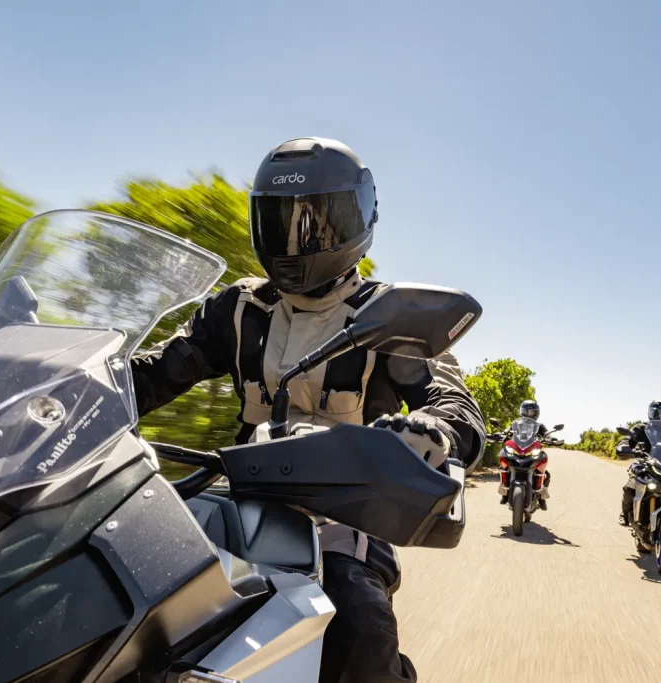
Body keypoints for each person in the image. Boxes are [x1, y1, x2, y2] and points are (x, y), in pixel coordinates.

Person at [130, 137, 486, 683]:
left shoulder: (392, 317)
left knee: (361, 632)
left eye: (314, 223)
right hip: (234, 498)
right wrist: (64, 380)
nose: (294, 240)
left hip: (344, 520)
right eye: (279, 221)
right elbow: (155, 371)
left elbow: (454, 403)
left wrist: (433, 430)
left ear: (356, 221)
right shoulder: (239, 308)